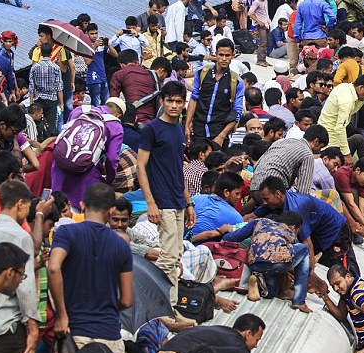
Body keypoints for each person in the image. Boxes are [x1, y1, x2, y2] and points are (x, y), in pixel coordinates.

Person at [47, 182, 132, 353]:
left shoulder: (67, 234)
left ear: (82, 206)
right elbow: (127, 300)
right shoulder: (120, 245)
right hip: (109, 335)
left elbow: (53, 267)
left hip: (75, 335)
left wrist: (62, 314)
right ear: (110, 212)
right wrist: (107, 304)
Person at [137, 80, 195, 325]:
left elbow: (177, 167)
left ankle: (168, 308)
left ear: (183, 104)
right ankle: (160, 308)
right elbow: (141, 166)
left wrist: (189, 201)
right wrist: (150, 202)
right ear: (162, 102)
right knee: (169, 257)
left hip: (177, 199)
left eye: (178, 102)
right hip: (161, 199)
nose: (173, 105)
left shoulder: (179, 129)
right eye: (169, 101)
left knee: (175, 254)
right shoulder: (152, 129)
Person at [0, 180, 45, 353]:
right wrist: (33, 328)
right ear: (21, 204)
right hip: (8, 327)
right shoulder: (19, 236)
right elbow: (24, 287)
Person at [51, 103, 124, 208]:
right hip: (86, 175)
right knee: (81, 212)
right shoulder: (115, 126)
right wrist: (109, 179)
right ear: (118, 115)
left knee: (56, 207)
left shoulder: (80, 110)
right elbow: (112, 159)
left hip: (60, 168)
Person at [185, 39, 245, 146]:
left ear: (233, 56)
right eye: (221, 55)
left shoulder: (236, 82)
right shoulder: (202, 73)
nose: (224, 59)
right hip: (198, 130)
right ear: (215, 54)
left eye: (228, 55)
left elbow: (236, 111)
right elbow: (194, 99)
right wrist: (187, 124)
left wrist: (222, 136)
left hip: (219, 133)